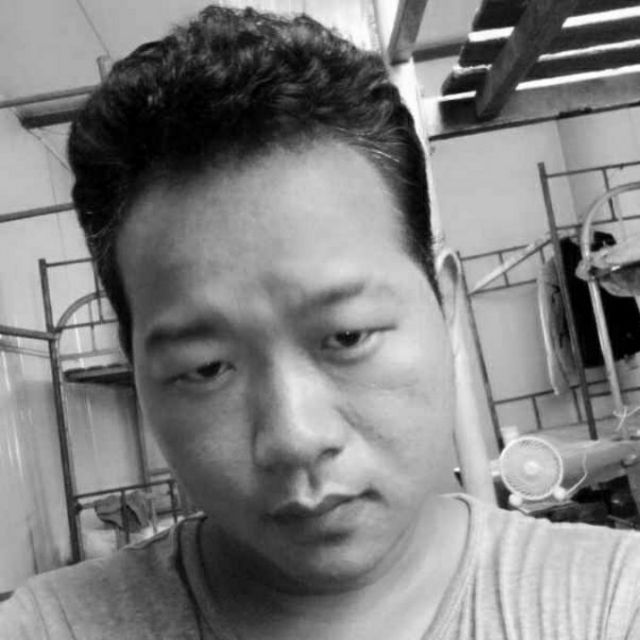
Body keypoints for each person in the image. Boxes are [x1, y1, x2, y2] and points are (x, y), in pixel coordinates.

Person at [2, 5, 640, 639]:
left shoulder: (610, 604)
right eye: (206, 368)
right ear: (139, 373)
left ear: (446, 305)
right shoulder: (52, 629)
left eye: (348, 336)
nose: (295, 438)